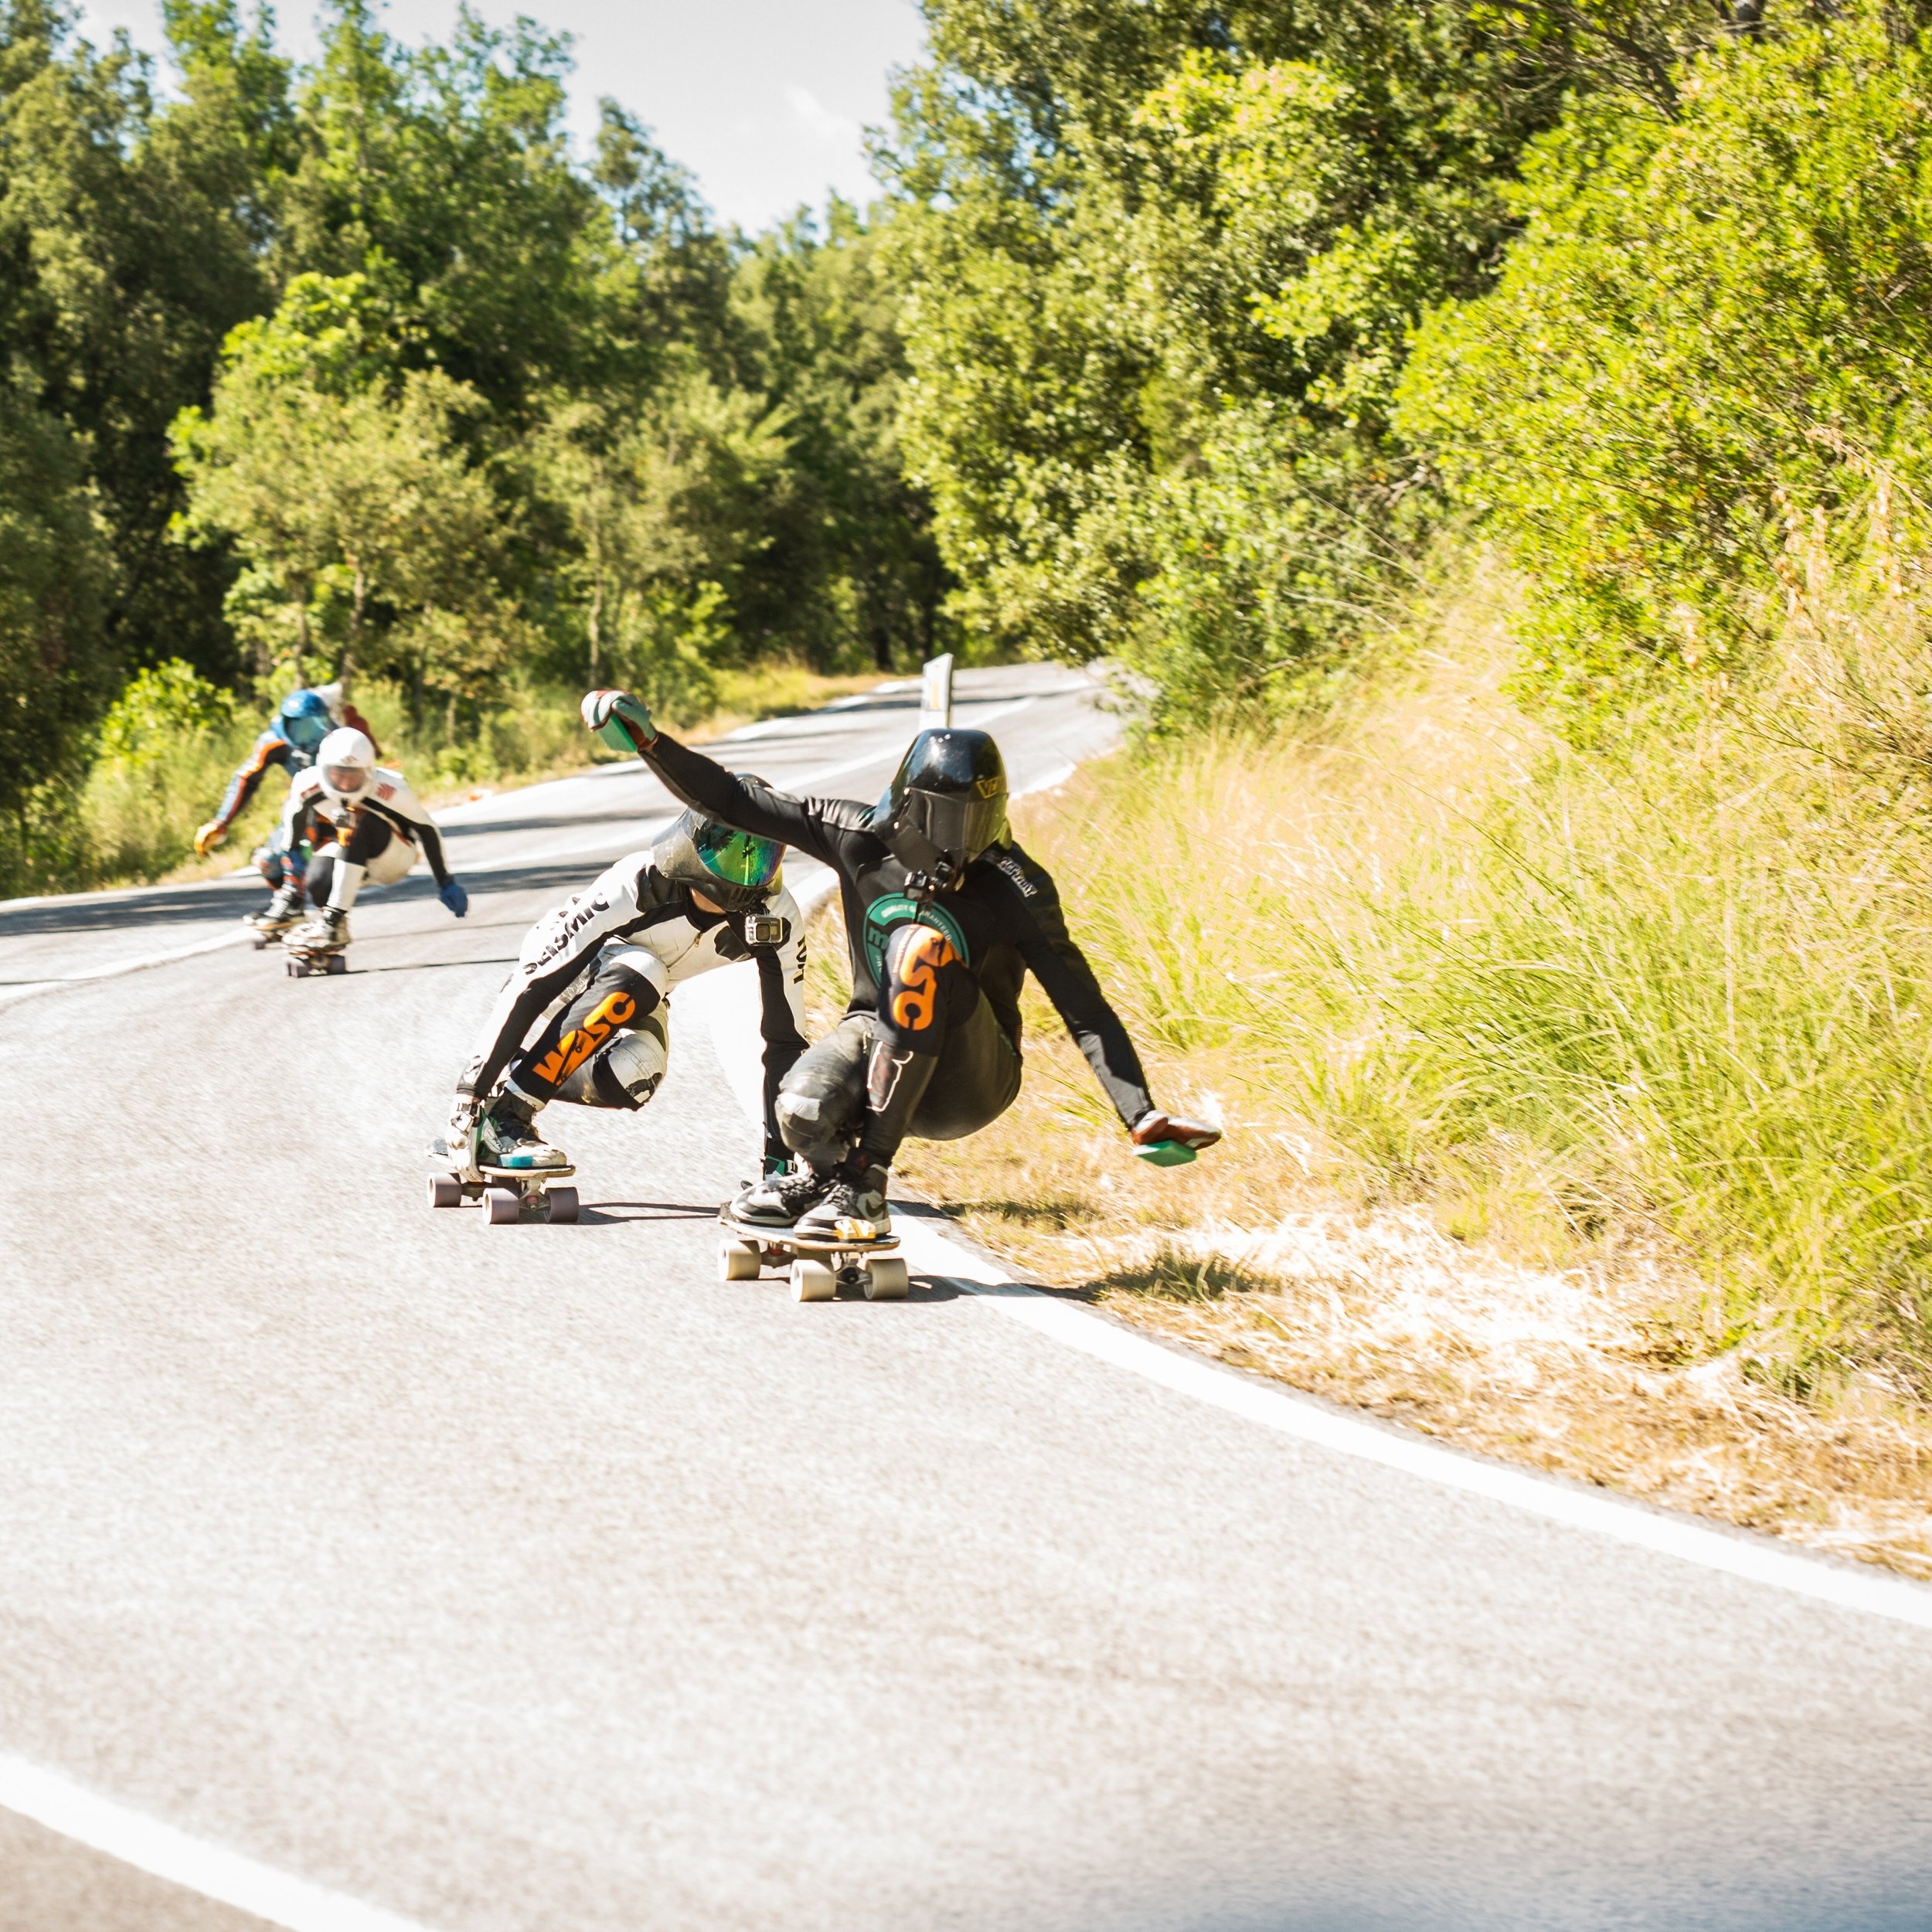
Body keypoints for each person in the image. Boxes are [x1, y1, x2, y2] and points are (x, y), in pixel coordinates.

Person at [579, 687, 1220, 1240]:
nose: (964, 841)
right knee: (799, 1108)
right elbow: (734, 802)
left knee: (921, 951)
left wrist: (1140, 1113)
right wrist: (652, 742)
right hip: (875, 1037)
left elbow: (1085, 1010)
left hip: (972, 1079)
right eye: (949, 820)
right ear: (908, 808)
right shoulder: (857, 837)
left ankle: (866, 1182)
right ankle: (818, 1181)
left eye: (982, 819)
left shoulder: (1015, 884)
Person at [440, 810, 808, 1179]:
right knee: (643, 971)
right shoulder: (638, 882)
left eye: (763, 860)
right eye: (734, 857)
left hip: (644, 990)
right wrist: (469, 1098)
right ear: (695, 847)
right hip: (565, 967)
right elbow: (533, 987)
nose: (748, 875)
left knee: (635, 1077)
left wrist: (780, 1166)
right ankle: (508, 1119)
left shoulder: (777, 920)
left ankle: (519, 1075)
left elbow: (786, 1042)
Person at [194, 681, 383, 934]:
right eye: (298, 728)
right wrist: (220, 821)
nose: (306, 737)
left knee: (326, 877)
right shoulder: (274, 741)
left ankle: (328, 918)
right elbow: (246, 779)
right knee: (266, 862)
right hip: (299, 810)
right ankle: (291, 907)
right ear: (285, 724)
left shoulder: (338, 741)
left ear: (324, 723)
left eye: (313, 727)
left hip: (335, 817)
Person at [276, 727, 468, 961]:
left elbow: (426, 829)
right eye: (339, 774)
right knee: (316, 880)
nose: (346, 784)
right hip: (347, 851)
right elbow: (291, 841)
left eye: (354, 775)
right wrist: (292, 886)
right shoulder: (306, 784)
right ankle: (336, 929)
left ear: (369, 772)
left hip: (392, 858)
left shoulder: (390, 789)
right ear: (323, 769)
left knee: (357, 822)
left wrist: (445, 881)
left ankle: (331, 921)